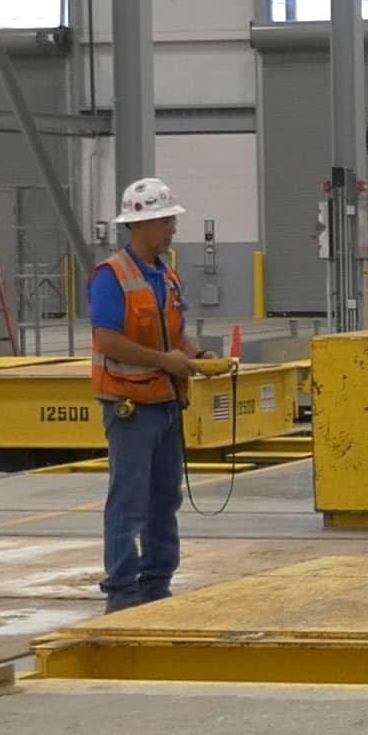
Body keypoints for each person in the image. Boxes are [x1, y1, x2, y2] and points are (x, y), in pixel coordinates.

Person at [88, 177, 222, 612]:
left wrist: (198, 355)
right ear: (138, 225)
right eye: (164, 221)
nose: (171, 229)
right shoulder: (112, 277)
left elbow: (174, 332)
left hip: (166, 404)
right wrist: (166, 361)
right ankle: (122, 593)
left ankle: (156, 586)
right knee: (129, 503)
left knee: (165, 500)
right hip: (130, 407)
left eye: (170, 221)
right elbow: (108, 340)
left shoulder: (167, 274)